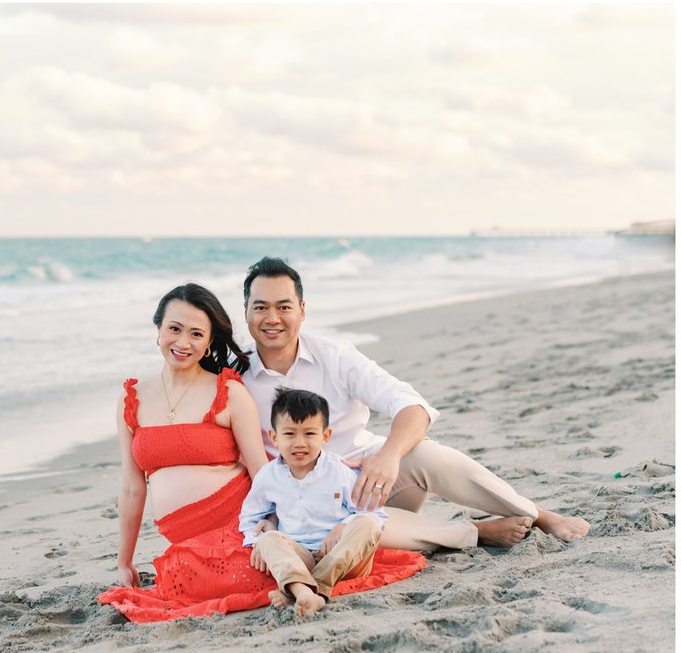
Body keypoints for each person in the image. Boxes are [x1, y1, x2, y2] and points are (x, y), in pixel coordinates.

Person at [97, 283, 426, 623]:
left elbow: (262, 470)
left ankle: (312, 571)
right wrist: (125, 562)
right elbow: (132, 487)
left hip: (238, 523)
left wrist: (272, 526)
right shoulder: (132, 398)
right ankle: (311, 571)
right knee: (182, 578)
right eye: (174, 329)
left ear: (209, 341)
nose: (183, 343)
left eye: (196, 334)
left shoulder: (227, 391)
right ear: (158, 330)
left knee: (255, 568)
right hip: (186, 540)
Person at [240, 256, 591, 551]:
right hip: (309, 502)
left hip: (371, 480)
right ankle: (478, 533)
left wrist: (389, 456)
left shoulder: (334, 356)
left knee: (427, 454)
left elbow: (412, 406)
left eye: (283, 306)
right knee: (362, 531)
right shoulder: (236, 378)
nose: (272, 318)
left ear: (301, 311)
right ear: (246, 313)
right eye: (261, 307)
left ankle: (540, 515)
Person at [239, 388, 388, 617]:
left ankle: (300, 592)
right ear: (274, 437)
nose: (300, 443)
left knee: (367, 524)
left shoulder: (339, 470)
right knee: (267, 539)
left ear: (325, 436)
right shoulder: (268, 476)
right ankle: (305, 592)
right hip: (300, 559)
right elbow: (249, 518)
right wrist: (257, 540)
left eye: (309, 434)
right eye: (289, 434)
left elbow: (376, 514)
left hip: (343, 558)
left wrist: (345, 525)